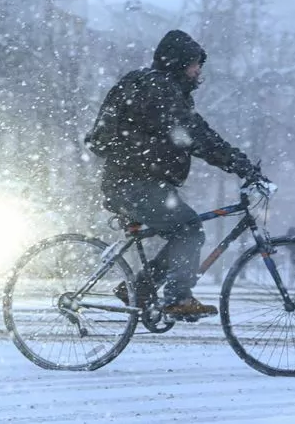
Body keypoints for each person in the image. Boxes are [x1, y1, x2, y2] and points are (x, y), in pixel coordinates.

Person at [90, 30, 261, 319]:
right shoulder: (159, 89)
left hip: (134, 180)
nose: (198, 71)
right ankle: (177, 298)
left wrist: (239, 162)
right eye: (195, 64)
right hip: (133, 183)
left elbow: (198, 130)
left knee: (184, 229)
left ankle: (139, 288)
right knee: (189, 229)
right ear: (180, 63)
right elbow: (193, 135)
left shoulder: (162, 89)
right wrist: (240, 166)